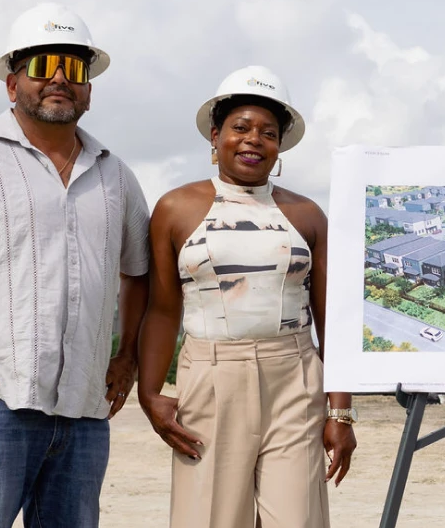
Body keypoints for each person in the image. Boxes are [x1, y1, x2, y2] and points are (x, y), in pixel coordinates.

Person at [0, 3, 150, 527]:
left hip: (84, 410)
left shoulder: (115, 176)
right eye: (42, 65)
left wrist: (129, 358)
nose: (58, 78)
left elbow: (138, 272)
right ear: (13, 85)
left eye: (73, 68)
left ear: (89, 91)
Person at [137, 65, 356, 527]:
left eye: (269, 133)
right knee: (212, 518)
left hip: (295, 378)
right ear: (215, 137)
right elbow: (161, 310)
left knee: (298, 519)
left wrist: (341, 412)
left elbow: (331, 320)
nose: (254, 139)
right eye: (241, 127)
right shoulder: (176, 208)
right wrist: (150, 393)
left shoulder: (307, 214)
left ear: (280, 148)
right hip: (212, 375)